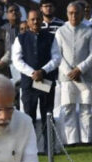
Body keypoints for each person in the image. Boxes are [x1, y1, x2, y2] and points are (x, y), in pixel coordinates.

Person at [12, 9, 61, 152]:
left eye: (38, 19)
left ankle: (49, 148)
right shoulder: (20, 38)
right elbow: (17, 60)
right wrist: (32, 73)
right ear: (27, 21)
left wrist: (43, 71)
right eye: (32, 19)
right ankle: (30, 149)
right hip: (28, 84)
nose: (35, 22)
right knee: (28, 117)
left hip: (46, 81)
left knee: (48, 114)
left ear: (42, 20)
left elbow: (56, 58)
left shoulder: (51, 37)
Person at [55, 2, 92, 145]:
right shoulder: (60, 31)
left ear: (82, 14)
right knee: (68, 108)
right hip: (66, 77)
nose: (74, 15)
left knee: (86, 108)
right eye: (71, 13)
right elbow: (57, 54)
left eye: (76, 12)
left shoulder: (89, 31)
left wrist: (80, 69)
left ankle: (87, 140)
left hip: (85, 76)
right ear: (67, 14)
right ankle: (71, 141)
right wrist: (69, 72)